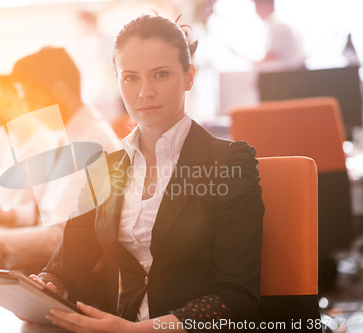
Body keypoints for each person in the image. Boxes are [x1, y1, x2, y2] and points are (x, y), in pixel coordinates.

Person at [26, 14, 264, 332]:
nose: (144, 92)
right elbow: (66, 266)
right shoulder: (106, 169)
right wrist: (45, 288)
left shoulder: (229, 163)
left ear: (189, 77)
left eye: (161, 74)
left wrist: (137, 330)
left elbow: (236, 297)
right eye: (131, 78)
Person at [0, 47, 121, 267]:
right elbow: (50, 211)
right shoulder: (65, 135)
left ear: (60, 90)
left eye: (31, 100)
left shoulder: (92, 143)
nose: (27, 110)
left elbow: (60, 237)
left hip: (73, 274)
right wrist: (13, 215)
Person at [253, 0, 305, 72]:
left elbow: (272, 58)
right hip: (295, 75)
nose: (256, 12)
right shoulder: (282, 24)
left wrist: (252, 64)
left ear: (266, 4)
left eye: (256, 6)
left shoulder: (278, 27)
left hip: (289, 77)